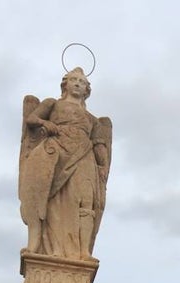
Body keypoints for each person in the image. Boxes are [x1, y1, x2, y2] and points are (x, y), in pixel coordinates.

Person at [18, 67, 112, 260]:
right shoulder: (52, 104)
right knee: (53, 199)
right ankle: (47, 246)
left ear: (87, 90)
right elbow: (32, 119)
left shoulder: (92, 119)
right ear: (65, 84)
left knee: (87, 200)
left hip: (84, 156)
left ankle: (83, 252)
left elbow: (99, 144)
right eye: (74, 79)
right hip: (56, 152)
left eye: (82, 82)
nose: (78, 83)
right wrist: (46, 124)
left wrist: (102, 165)